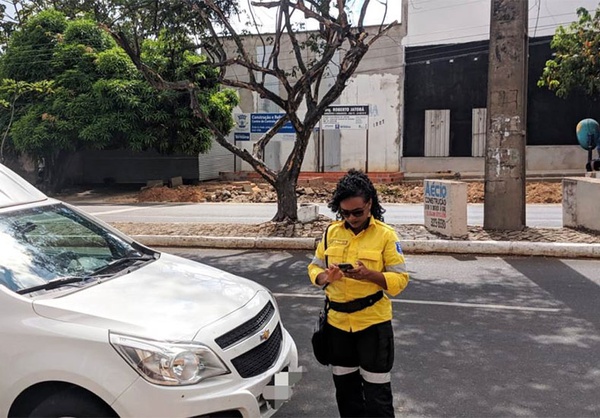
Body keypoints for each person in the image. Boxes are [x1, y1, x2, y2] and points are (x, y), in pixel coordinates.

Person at [307, 169, 410, 417]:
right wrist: (325, 278)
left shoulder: (386, 235)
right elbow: (314, 268)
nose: (351, 218)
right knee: (346, 393)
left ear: (370, 204)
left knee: (377, 396)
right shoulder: (331, 233)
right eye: (345, 213)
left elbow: (400, 279)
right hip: (337, 325)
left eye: (358, 212)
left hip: (372, 324)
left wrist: (370, 275)